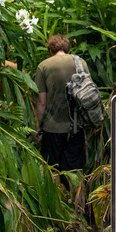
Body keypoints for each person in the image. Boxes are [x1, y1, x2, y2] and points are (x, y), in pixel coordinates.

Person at [34, 34, 87, 171]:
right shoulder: (81, 63)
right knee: (74, 170)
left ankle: (58, 192)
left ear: (50, 50)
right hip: (77, 126)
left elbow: (41, 102)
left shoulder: (44, 66)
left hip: (53, 129)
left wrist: (37, 126)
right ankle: (78, 193)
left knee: (52, 170)